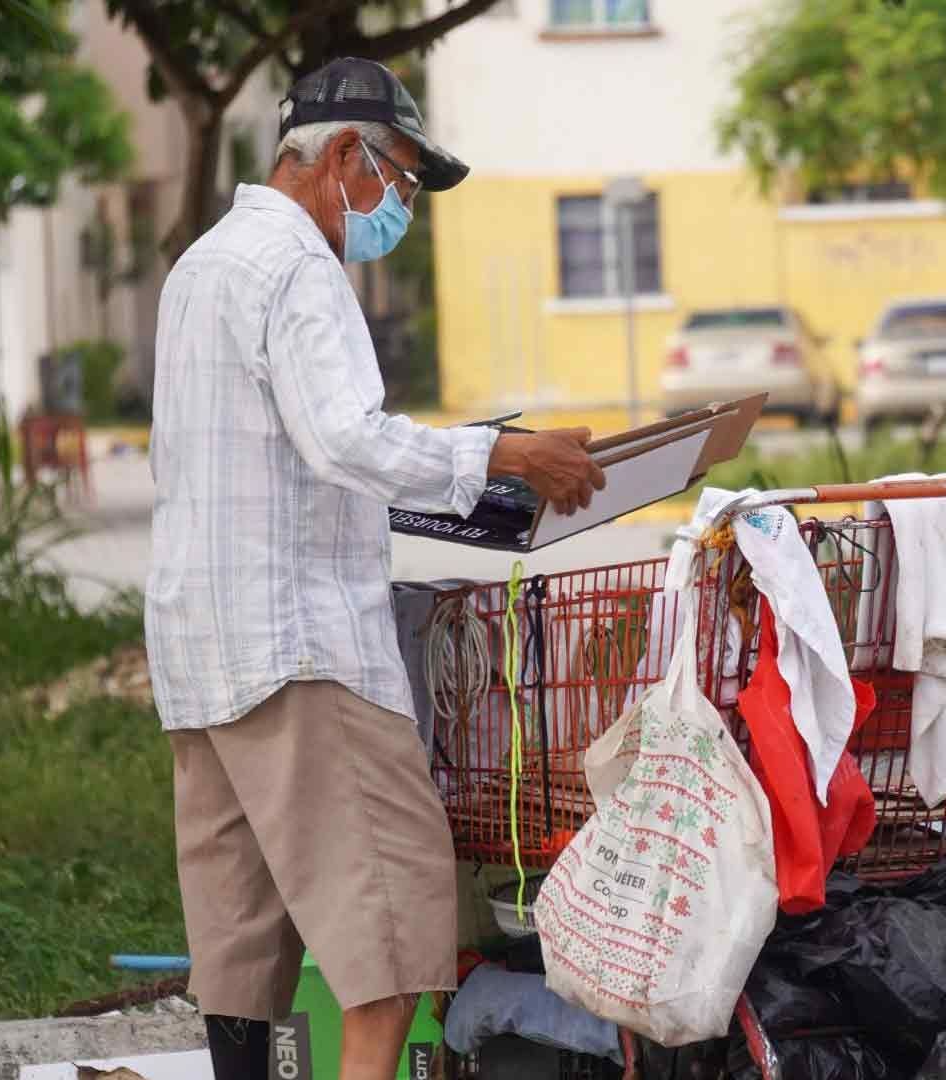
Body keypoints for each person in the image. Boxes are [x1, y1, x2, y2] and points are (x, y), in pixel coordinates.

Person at [145, 58, 604, 1080]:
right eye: (399, 181)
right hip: (302, 649)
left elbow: (259, 453)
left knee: (240, 947)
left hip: (200, 651)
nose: (401, 206)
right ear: (346, 154)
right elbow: (345, 439)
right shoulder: (301, 268)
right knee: (397, 940)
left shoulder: (203, 266)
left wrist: (461, 477)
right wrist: (506, 454)